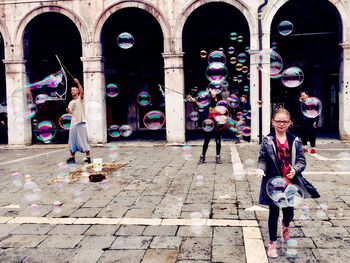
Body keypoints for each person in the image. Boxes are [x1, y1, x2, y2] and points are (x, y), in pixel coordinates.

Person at [255, 108, 306, 258]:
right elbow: (263, 158)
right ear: (273, 122)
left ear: (290, 123)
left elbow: (302, 161)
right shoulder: (267, 140)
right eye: (278, 121)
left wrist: (295, 170)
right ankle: (272, 243)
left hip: (290, 184)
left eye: (284, 121)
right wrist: (260, 169)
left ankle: (285, 225)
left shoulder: (295, 140)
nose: (281, 124)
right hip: (273, 183)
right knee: (273, 213)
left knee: (289, 213)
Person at [188, 89, 223, 164]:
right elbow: (200, 104)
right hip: (209, 123)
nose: (212, 92)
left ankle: (218, 157)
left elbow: (224, 112)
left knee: (218, 141)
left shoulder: (221, 102)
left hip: (217, 124)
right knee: (206, 140)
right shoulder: (208, 102)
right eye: (212, 91)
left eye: (214, 91)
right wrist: (193, 100)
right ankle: (202, 157)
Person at [66, 78, 91, 164]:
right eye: (71, 90)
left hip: (81, 123)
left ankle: (88, 157)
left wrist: (78, 82)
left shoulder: (80, 99)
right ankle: (72, 157)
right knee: (72, 141)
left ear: (77, 91)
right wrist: (69, 112)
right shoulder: (71, 102)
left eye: (74, 90)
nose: (72, 91)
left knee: (83, 140)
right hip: (73, 124)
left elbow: (82, 92)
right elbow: (72, 114)